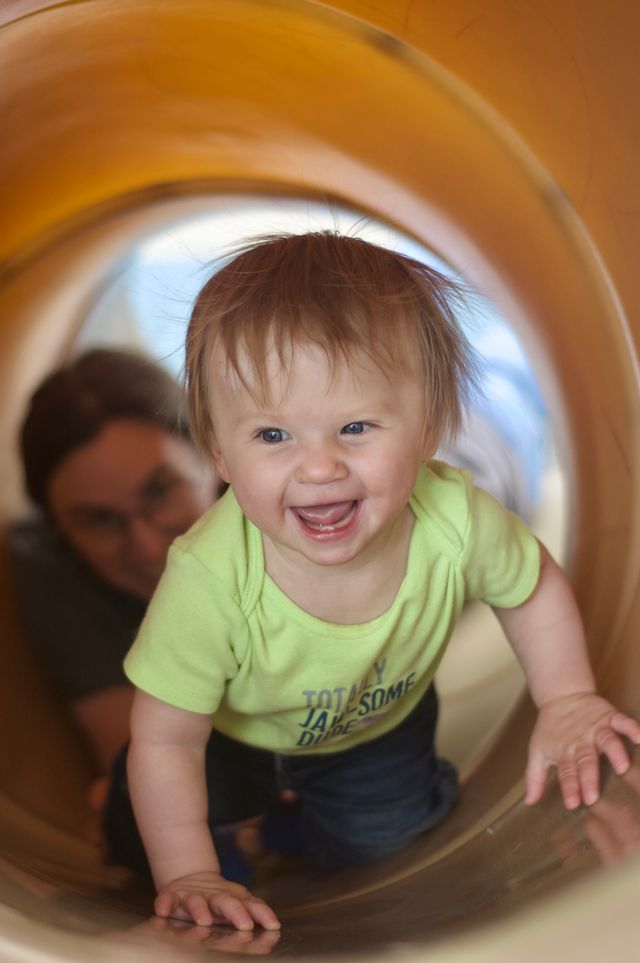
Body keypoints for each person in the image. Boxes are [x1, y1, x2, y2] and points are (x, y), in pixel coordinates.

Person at [118, 232, 640, 932]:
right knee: (140, 821)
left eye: (355, 427)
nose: (319, 467)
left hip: (375, 729)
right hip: (226, 737)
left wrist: (568, 695)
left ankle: (292, 834)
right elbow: (167, 739)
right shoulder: (208, 576)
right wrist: (188, 871)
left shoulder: (453, 518)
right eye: (273, 436)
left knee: (384, 842)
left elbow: (532, 584)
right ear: (218, 451)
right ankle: (219, 852)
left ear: (428, 430)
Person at [8, 348, 221, 820]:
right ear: (60, 530)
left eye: (161, 492)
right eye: (100, 522)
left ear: (212, 459)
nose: (147, 548)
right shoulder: (49, 565)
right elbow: (147, 778)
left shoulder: (285, 510)